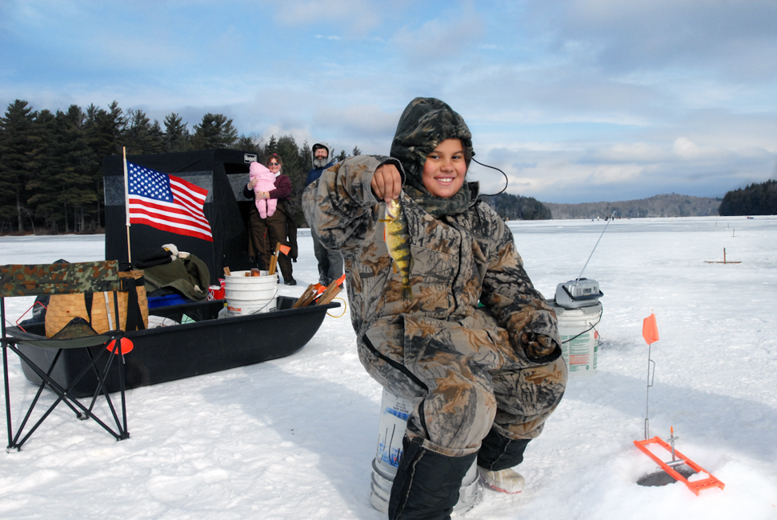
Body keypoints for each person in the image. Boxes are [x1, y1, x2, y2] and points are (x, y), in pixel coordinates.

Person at [303, 97, 567, 520]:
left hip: (464, 326)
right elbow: (320, 204)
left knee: (546, 372)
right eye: (435, 155)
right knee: (464, 397)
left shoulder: (482, 220)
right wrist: (369, 172)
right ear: (411, 159)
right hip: (395, 332)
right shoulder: (377, 208)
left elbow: (510, 285)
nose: (448, 166)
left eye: (457, 156)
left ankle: (491, 461)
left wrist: (534, 326)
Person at [245, 153, 296, 285]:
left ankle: (288, 276)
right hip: (258, 216)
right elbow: (247, 194)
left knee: (281, 246)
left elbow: (285, 191)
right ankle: (271, 276)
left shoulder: (282, 178)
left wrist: (267, 194)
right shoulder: (258, 176)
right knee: (262, 247)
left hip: (277, 215)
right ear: (266, 165)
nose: (273, 166)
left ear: (280, 165)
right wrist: (250, 185)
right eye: (271, 164)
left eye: (276, 163)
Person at [304, 142, 343, 286]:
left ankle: (336, 280)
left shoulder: (334, 169)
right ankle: (324, 276)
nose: (320, 154)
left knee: (332, 250)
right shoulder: (311, 173)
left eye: (323, 152)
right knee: (319, 251)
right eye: (317, 152)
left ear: (328, 154)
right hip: (315, 218)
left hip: (330, 217)